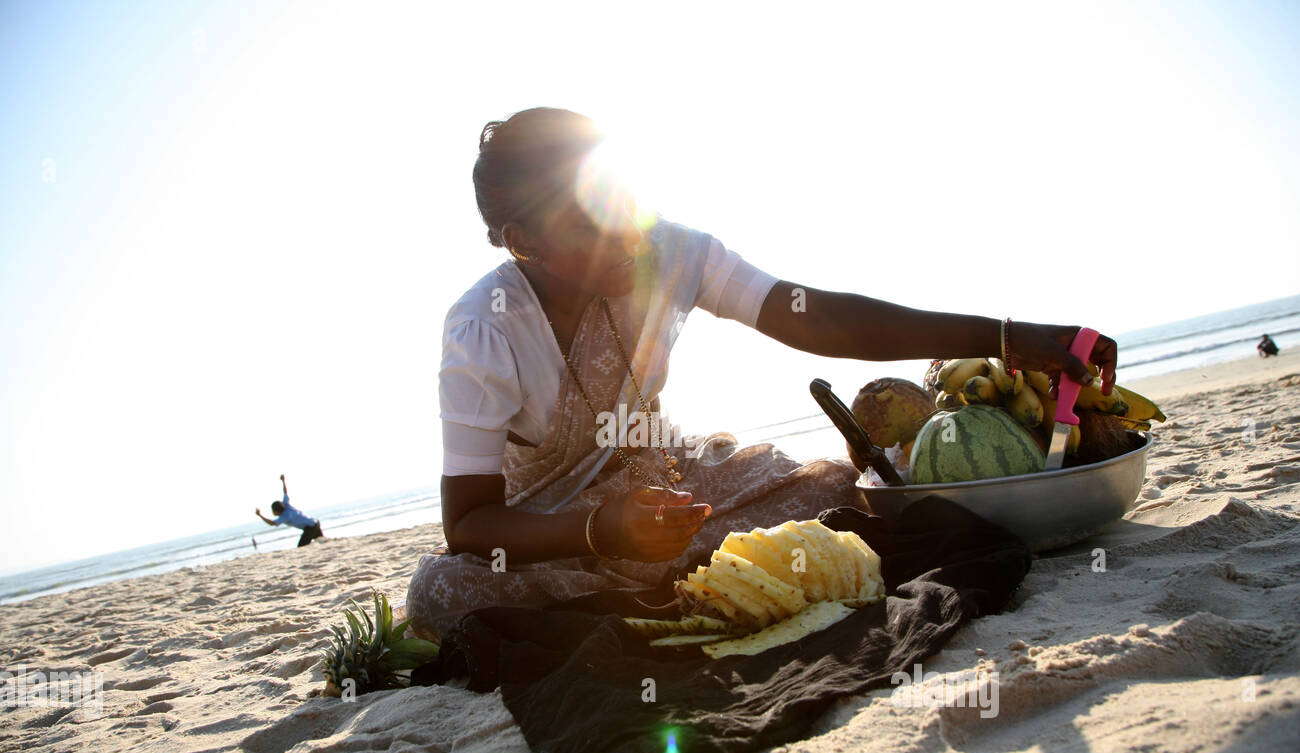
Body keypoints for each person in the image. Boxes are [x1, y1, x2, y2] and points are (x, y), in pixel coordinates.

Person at [405, 108, 1119, 642]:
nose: (624, 229)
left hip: (667, 486)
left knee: (845, 490)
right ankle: (676, 579)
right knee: (442, 593)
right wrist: (599, 531)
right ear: (524, 241)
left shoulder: (672, 251)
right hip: (555, 527)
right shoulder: (483, 328)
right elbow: (469, 523)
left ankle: (681, 578)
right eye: (586, 219)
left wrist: (1001, 336)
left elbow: (814, 317)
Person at [256, 474, 324, 546]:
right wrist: (283, 481)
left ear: (276, 511)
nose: (272, 512)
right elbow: (285, 492)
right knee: (322, 541)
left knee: (301, 546)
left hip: (310, 527)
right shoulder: (286, 505)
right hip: (315, 522)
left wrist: (260, 515)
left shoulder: (284, 517)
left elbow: (272, 523)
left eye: (272, 510)